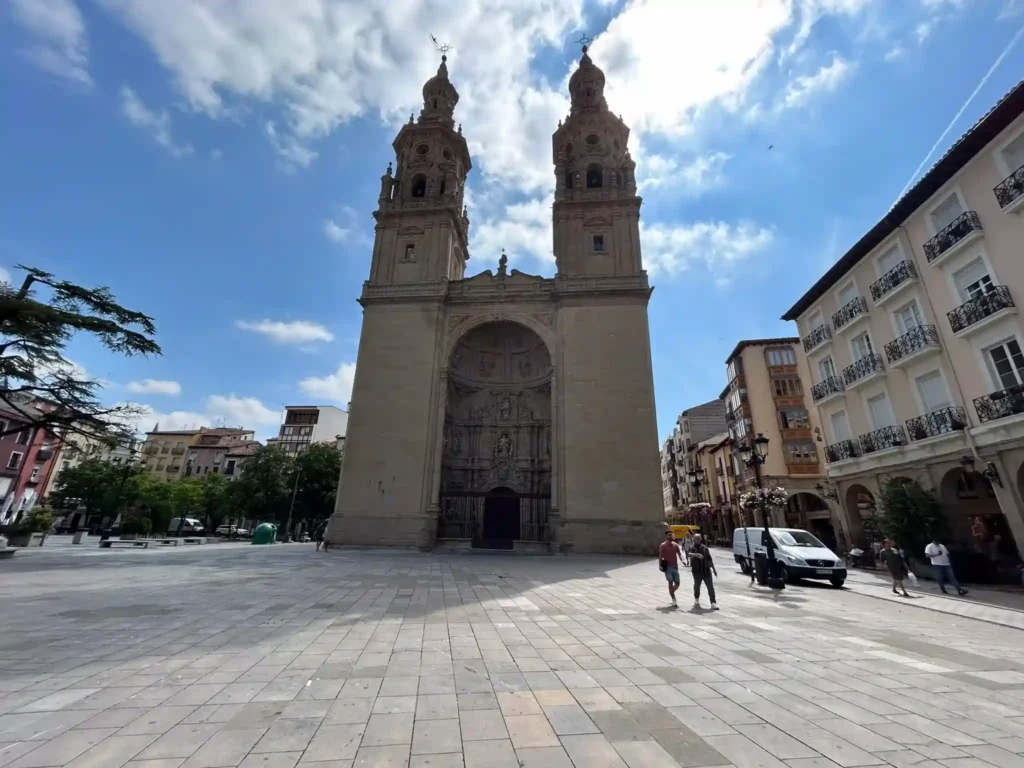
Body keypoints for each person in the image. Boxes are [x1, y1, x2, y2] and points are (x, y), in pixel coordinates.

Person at [689, 533, 719, 610]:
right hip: (696, 571)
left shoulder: (705, 548)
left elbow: (710, 559)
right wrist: (696, 555)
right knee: (697, 586)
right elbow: (688, 554)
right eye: (695, 538)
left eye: (698, 538)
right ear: (693, 539)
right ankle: (696, 598)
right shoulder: (692, 547)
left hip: (706, 570)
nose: (697, 540)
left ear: (701, 539)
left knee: (710, 587)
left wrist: (714, 570)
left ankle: (713, 602)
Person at [659, 530, 686, 607]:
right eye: (669, 535)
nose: (671, 536)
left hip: (675, 567)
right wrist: (660, 565)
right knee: (670, 582)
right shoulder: (663, 545)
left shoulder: (675, 545)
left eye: (671, 535)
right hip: (667, 567)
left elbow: (679, 554)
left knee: (677, 583)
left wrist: (683, 561)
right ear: (666, 536)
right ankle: (673, 599)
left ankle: (671, 592)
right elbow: (660, 556)